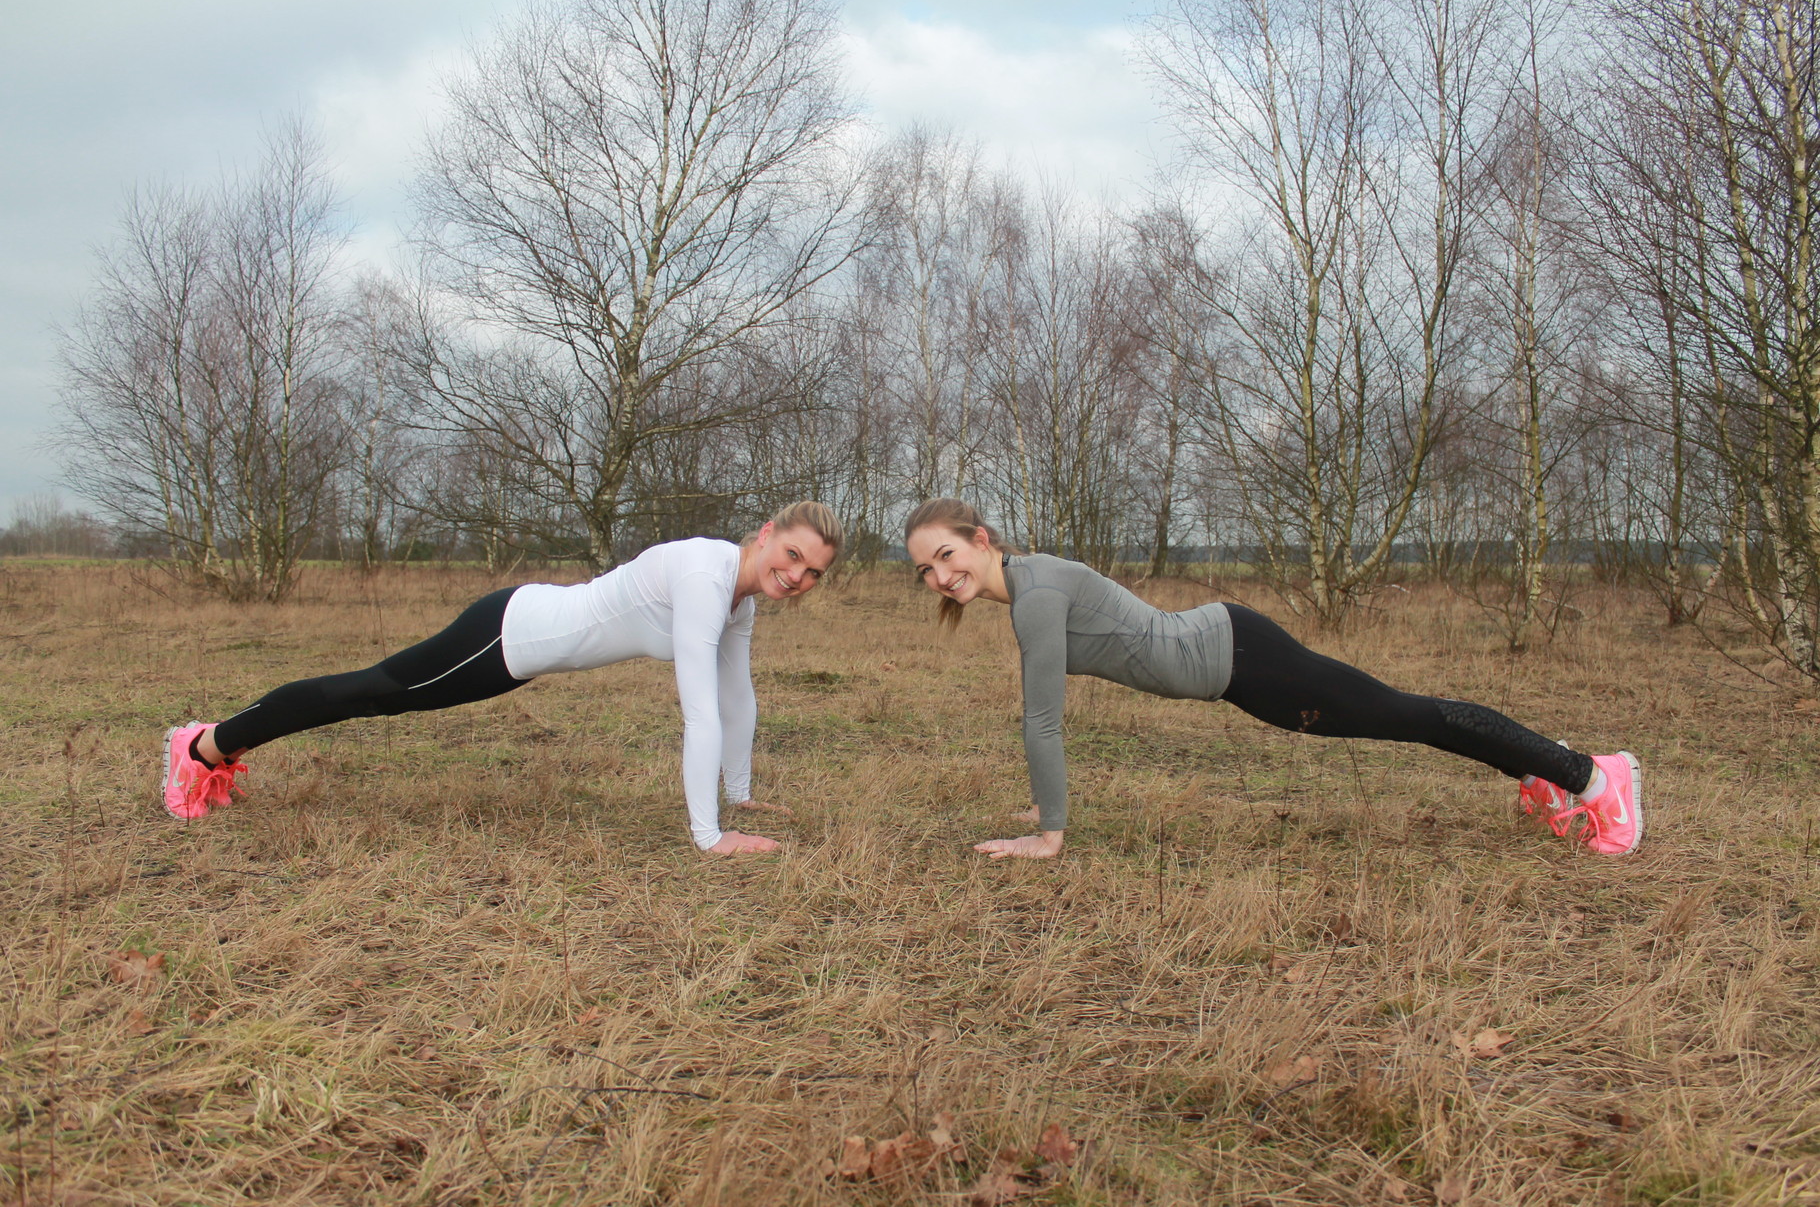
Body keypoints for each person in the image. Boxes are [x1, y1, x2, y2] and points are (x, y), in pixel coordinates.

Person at [902, 498, 1642, 860]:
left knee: (1409, 715)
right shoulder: (1030, 584)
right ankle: (1544, 771)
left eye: (946, 554)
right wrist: (1047, 807)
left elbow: (1041, 720)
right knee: (1406, 714)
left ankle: (1592, 776)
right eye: (926, 569)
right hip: (1235, 658)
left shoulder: (1033, 597)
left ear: (980, 538)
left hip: (1244, 658)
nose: (941, 575)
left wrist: (1049, 836)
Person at [161, 501, 842, 855]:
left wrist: (742, 796)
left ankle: (212, 745)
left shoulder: (740, 596)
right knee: (372, 692)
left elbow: (736, 692)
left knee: (374, 693)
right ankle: (202, 747)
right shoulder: (706, 574)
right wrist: (709, 835)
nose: (798, 576)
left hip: (522, 637)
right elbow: (700, 712)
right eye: (792, 555)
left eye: (814, 571)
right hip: (506, 635)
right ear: (766, 533)